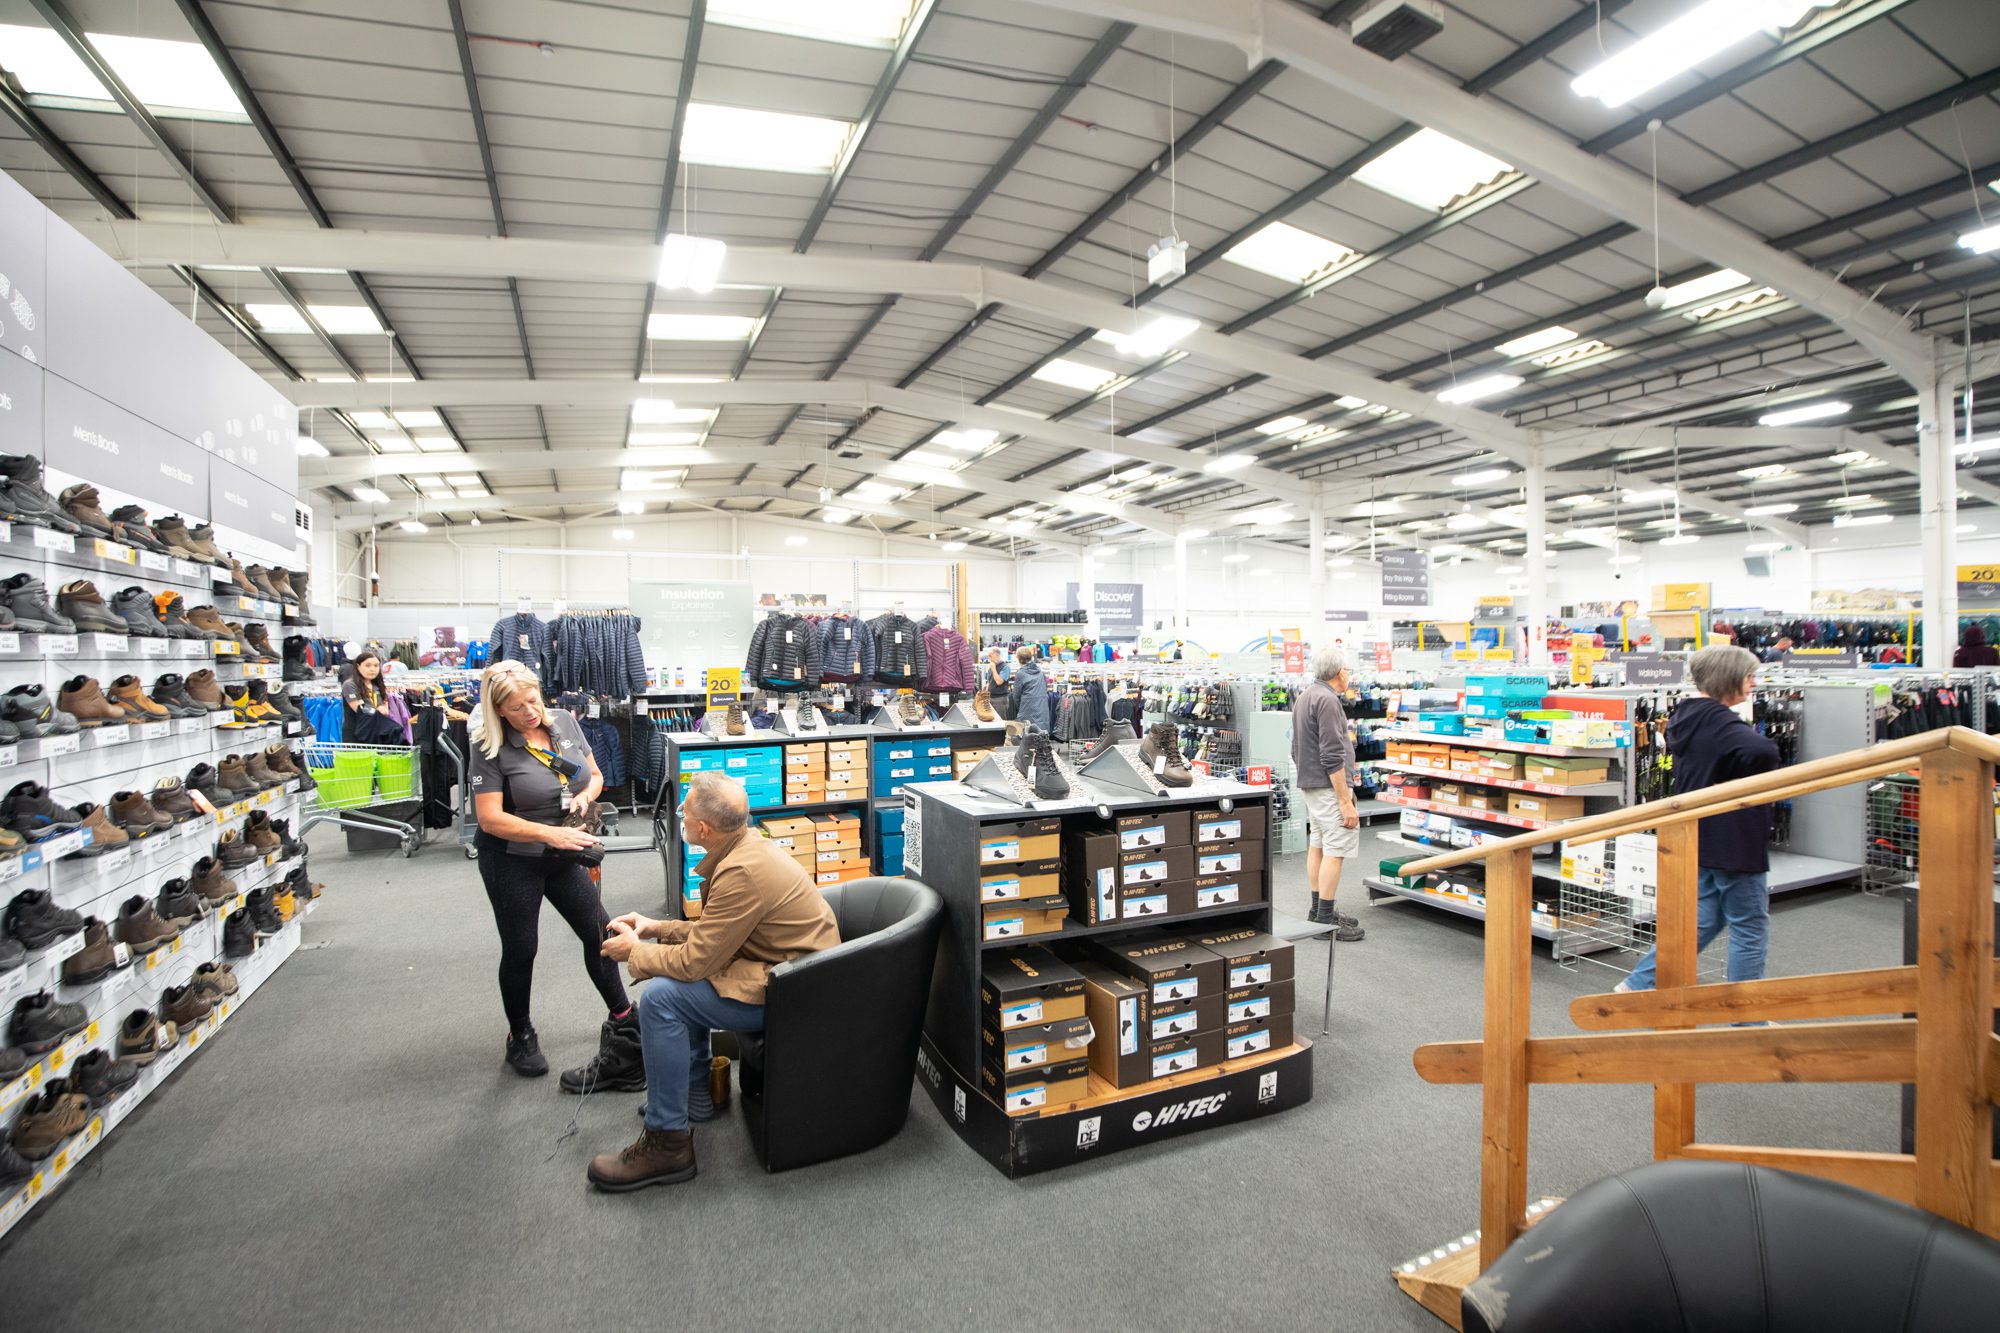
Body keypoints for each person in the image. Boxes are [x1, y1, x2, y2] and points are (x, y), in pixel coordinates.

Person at [588, 773, 839, 1191]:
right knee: (677, 989)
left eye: (684, 813)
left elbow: (695, 961)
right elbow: (718, 933)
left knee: (663, 999)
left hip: (794, 989)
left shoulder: (742, 872)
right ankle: (695, 1097)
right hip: (785, 969)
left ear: (703, 829)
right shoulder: (744, 848)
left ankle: (668, 1143)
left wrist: (634, 952)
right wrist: (655, 927)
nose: (680, 816)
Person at [468, 663, 635, 1081]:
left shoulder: (564, 721)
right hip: (511, 859)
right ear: (498, 709)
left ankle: (624, 1017)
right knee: (522, 948)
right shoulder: (488, 745)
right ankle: (520, 1035)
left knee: (600, 933)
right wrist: (549, 834)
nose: (530, 712)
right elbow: (489, 819)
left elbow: (595, 776)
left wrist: (585, 799)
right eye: (517, 707)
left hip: (563, 851)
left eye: (534, 701)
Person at [1618, 644, 1783, 996]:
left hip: (1703, 833)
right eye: (1749, 677)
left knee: (1704, 919)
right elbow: (1763, 751)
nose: (1754, 683)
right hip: (1734, 838)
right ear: (1729, 678)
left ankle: (1638, 984)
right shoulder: (1719, 721)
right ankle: (1746, 1016)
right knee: (1750, 926)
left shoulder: (1688, 715)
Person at [1291, 645, 1365, 940]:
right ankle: (1324, 921)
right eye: (1348, 670)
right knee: (1335, 849)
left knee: (1319, 845)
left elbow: (1296, 747)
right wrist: (1345, 801)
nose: (1350, 675)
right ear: (1338, 672)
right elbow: (1333, 755)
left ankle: (1319, 911)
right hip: (1328, 787)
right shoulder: (1328, 700)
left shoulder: (1306, 696)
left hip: (1311, 784)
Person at [340, 648, 405, 744]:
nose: (372, 669)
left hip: (376, 733)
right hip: (356, 734)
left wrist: (381, 710)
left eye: (376, 666)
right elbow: (361, 710)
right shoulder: (350, 685)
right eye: (368, 665)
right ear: (358, 666)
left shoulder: (378, 685)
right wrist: (378, 710)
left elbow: (385, 709)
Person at [1007, 644, 1051, 731]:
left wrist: (1022, 706)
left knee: (1027, 734)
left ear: (1019, 659)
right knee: (1041, 734)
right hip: (1042, 710)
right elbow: (1045, 689)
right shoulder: (1040, 672)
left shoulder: (1021, 673)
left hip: (1027, 711)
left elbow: (1016, 696)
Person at [983, 646, 1012, 718]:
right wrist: (985, 696)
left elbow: (999, 682)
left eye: (990, 656)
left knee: (1000, 721)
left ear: (997, 655)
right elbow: (989, 682)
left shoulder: (1005, 667)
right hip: (990, 698)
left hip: (1000, 700)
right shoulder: (992, 666)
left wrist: (993, 669)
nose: (989, 658)